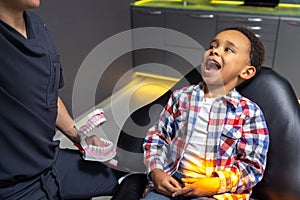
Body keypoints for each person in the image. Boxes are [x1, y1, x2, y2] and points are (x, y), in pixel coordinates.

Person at [0, 0, 126, 199]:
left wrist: (80, 138)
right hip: (13, 186)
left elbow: (47, 94)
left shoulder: (36, 25)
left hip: (50, 162)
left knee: (129, 181)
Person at [141, 26, 269, 200]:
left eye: (228, 49)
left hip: (217, 192)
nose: (214, 51)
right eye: (212, 46)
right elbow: (157, 137)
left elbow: (252, 167)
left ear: (246, 72)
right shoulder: (181, 98)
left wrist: (214, 184)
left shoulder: (249, 113)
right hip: (173, 180)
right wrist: (156, 171)